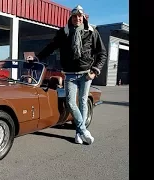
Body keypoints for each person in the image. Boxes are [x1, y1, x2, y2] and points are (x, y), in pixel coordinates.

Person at [30, 5, 107, 145]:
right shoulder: (63, 33)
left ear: (83, 17)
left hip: (86, 74)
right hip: (70, 74)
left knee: (83, 101)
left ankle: (78, 133)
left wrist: (94, 71)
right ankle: (83, 131)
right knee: (71, 102)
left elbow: (102, 53)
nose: (77, 18)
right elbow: (51, 47)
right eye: (74, 16)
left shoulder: (91, 32)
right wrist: (38, 58)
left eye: (79, 16)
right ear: (70, 18)